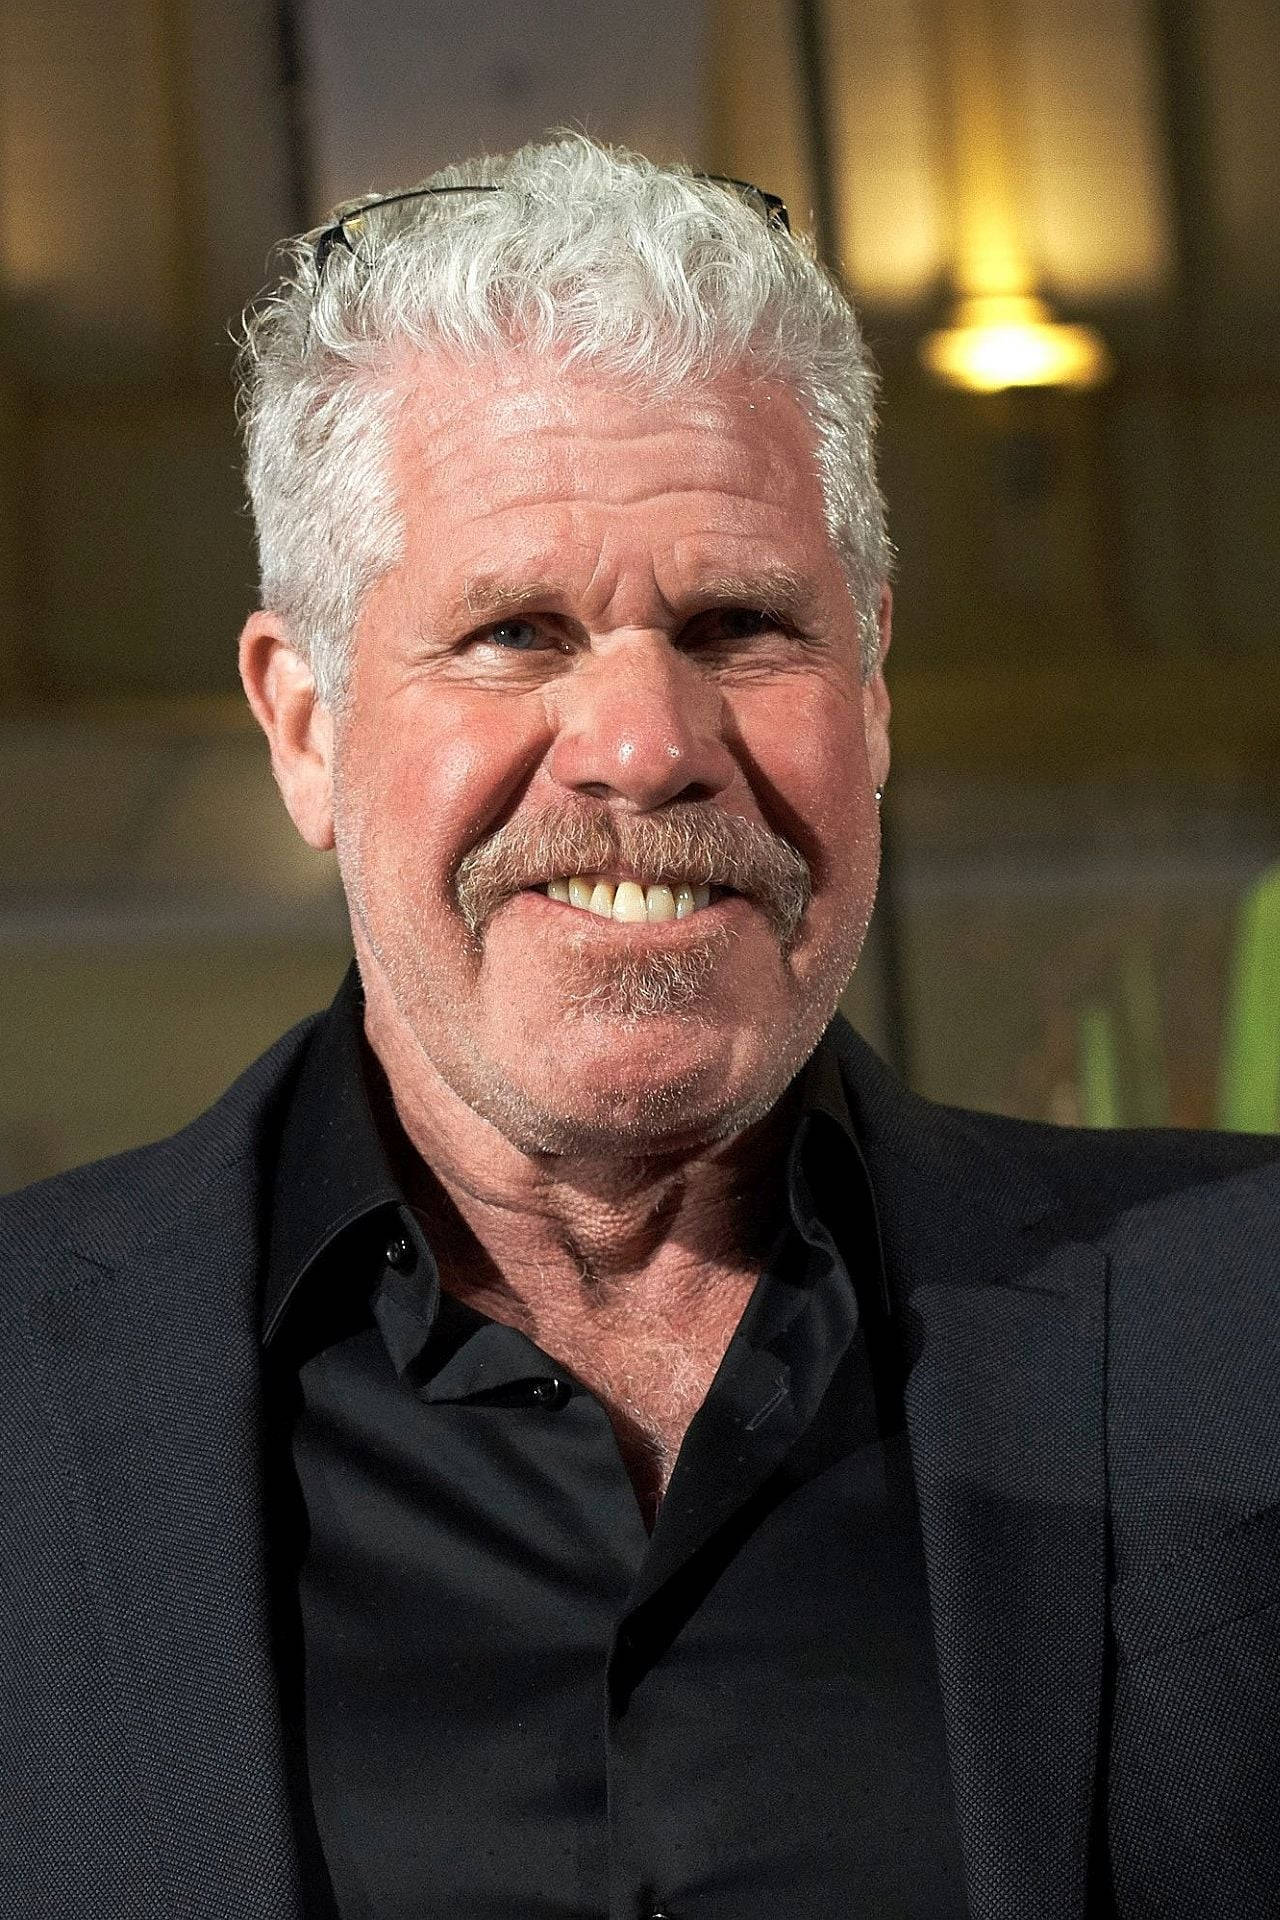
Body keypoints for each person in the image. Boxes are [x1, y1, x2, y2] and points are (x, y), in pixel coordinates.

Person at [2, 135, 1279, 1920]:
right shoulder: (27, 1403)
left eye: (740, 625)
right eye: (518, 632)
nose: (642, 743)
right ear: (304, 726)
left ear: (874, 692)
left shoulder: (1249, 1315)